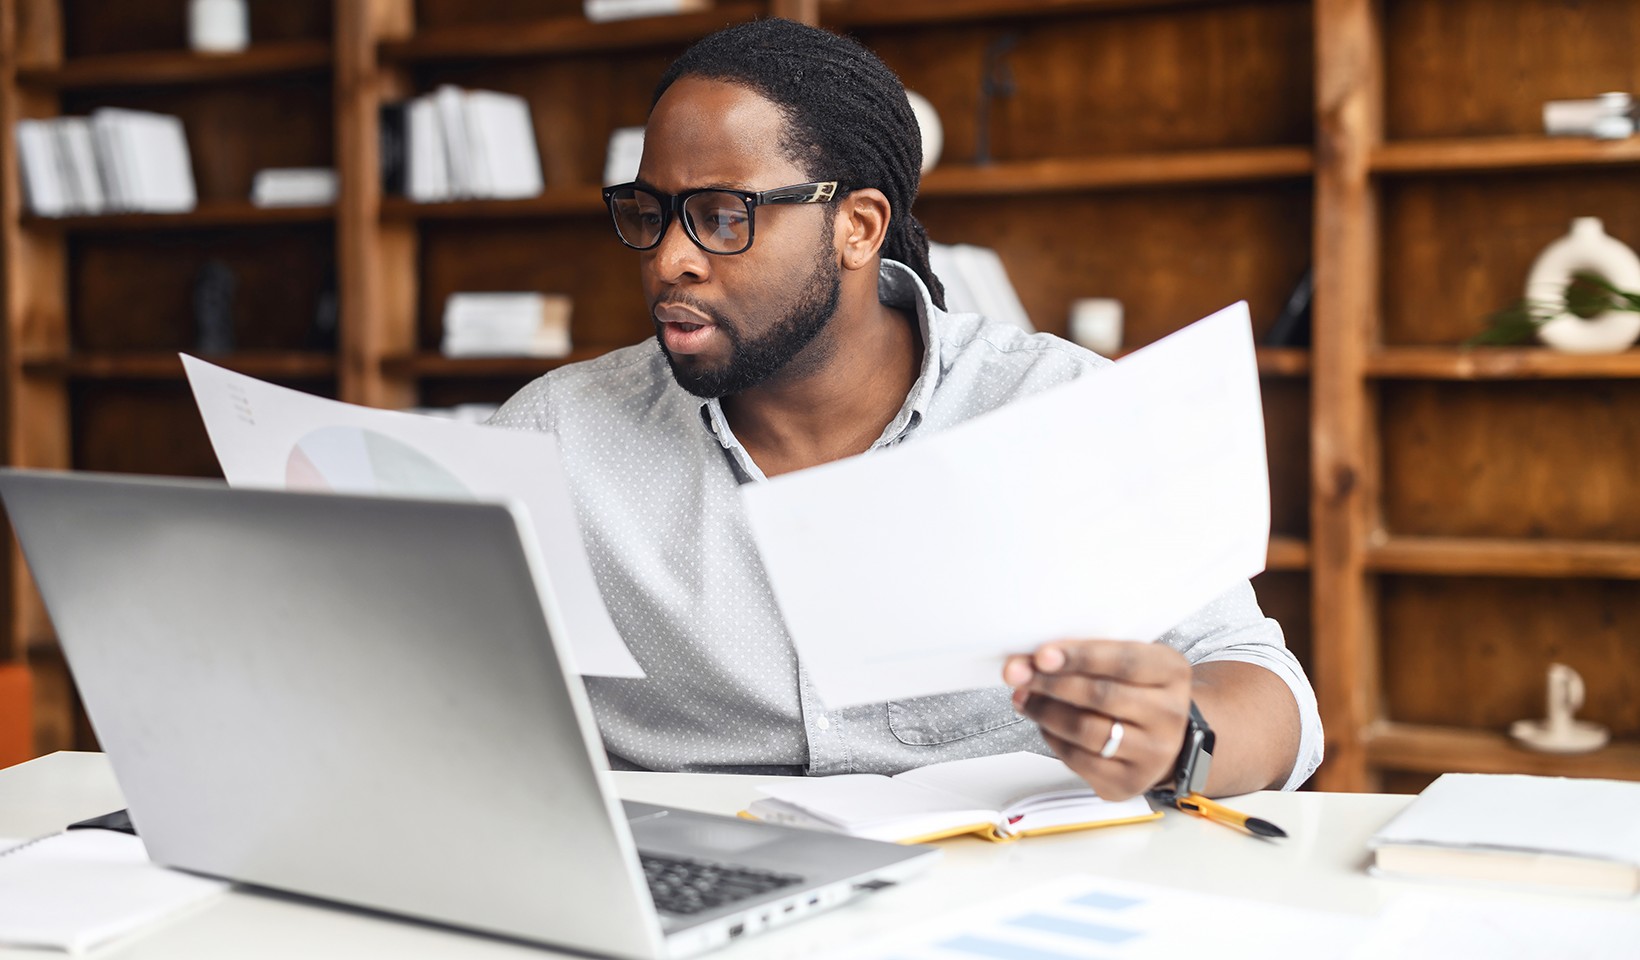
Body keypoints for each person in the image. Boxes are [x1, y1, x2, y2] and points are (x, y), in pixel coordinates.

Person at [489, 18, 1322, 799]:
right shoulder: (555, 439)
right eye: (651, 213)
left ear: (857, 227)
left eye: (720, 216)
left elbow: (1264, 688)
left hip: (996, 889)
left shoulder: (1057, 409)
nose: (671, 259)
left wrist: (1182, 737)